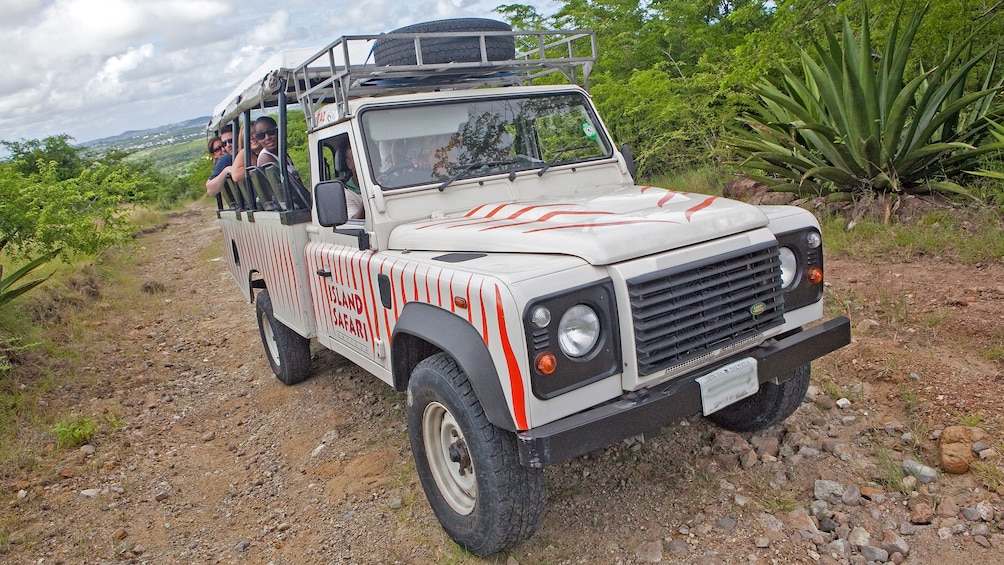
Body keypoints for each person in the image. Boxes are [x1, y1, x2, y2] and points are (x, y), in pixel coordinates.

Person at [205, 125, 234, 196]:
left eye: (223, 145)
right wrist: (226, 170)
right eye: (218, 149)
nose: (223, 149)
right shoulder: (225, 159)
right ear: (213, 155)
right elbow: (210, 190)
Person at [342, 143, 364, 220]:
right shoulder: (347, 193)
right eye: (359, 158)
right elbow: (354, 220)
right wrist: (369, 198)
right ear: (349, 164)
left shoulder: (386, 179)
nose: (366, 162)